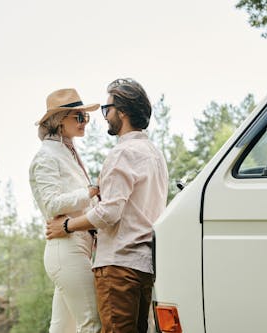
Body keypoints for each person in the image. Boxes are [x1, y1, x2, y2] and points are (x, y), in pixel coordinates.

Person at [46, 78, 169, 333]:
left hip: (118, 265)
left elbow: (109, 213)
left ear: (122, 112)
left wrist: (67, 225)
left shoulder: (122, 154)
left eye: (107, 109)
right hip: (145, 266)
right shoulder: (155, 155)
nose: (104, 116)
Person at [29, 88, 101, 333]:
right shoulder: (47, 156)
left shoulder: (67, 152)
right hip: (67, 249)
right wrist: (90, 192)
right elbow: (51, 204)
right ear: (60, 121)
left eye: (86, 117)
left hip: (76, 248)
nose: (85, 122)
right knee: (93, 324)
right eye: (79, 117)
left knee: (62, 329)